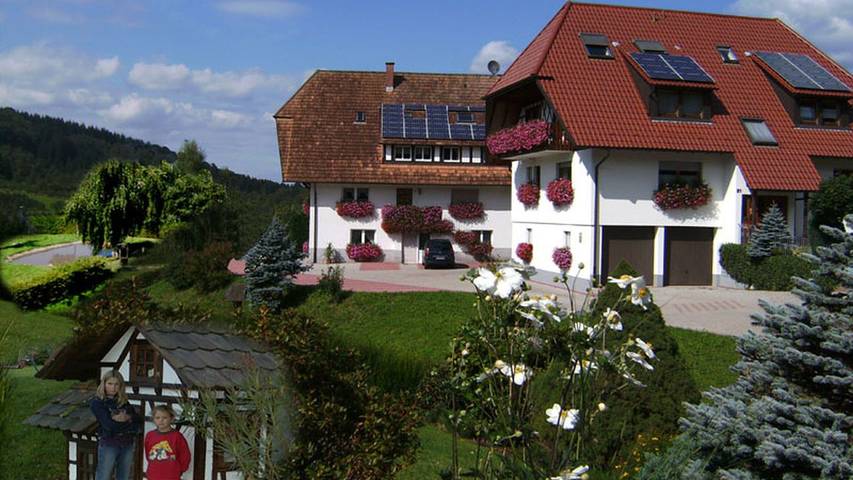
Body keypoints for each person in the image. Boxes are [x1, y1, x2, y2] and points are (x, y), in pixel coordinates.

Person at [90, 370, 142, 480]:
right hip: (109, 444)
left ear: (120, 386)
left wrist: (126, 418)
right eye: (110, 384)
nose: (113, 388)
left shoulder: (123, 402)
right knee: (103, 476)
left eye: (116, 384)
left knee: (124, 477)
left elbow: (138, 421)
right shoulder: (97, 403)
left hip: (127, 444)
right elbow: (109, 426)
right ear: (103, 384)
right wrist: (129, 421)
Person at [144, 405, 191, 480]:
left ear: (171, 419)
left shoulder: (177, 437)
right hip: (153, 475)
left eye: (165, 418)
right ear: (153, 419)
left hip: (172, 475)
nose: (161, 420)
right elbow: (148, 453)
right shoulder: (150, 435)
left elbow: (185, 456)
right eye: (157, 418)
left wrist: (179, 469)